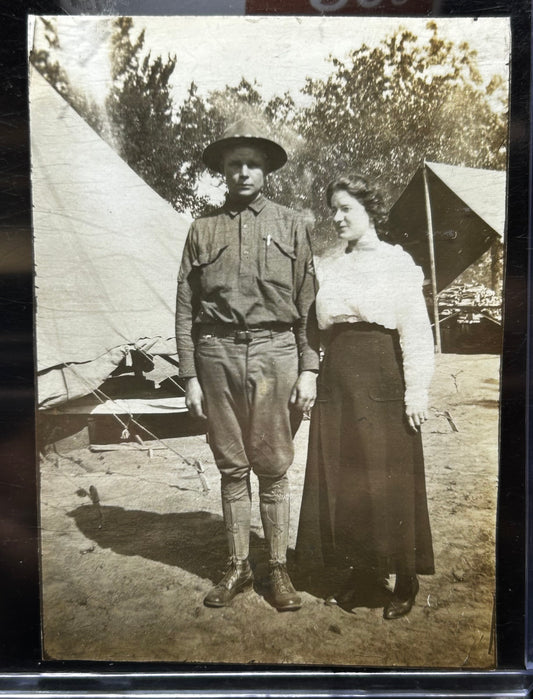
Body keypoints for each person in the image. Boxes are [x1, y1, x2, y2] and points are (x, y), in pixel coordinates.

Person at [176, 118, 319, 611]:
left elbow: (308, 305)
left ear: (266, 171)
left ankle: (277, 569)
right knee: (232, 465)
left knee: (273, 465)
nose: (242, 173)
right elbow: (184, 306)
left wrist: (309, 368)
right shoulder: (202, 229)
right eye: (234, 164)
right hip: (215, 355)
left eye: (252, 165)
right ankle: (238, 566)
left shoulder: (292, 225)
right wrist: (189, 375)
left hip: (276, 353)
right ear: (222, 170)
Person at [295, 173, 435, 620]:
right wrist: (313, 373)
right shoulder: (328, 264)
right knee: (347, 480)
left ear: (370, 211)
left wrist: (417, 391)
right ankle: (362, 574)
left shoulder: (397, 262)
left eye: (346, 209)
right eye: (333, 210)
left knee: (386, 478)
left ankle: (405, 578)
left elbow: (415, 331)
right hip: (337, 381)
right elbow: (317, 330)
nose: (336, 218)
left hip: (381, 380)